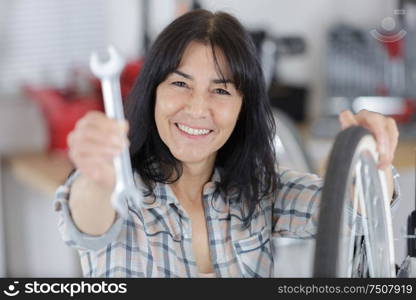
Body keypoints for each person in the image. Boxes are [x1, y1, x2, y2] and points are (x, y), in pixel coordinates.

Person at [55, 9, 400, 278]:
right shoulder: (120, 190)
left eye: (220, 90)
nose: (196, 108)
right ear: (153, 94)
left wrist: (375, 159)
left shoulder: (261, 190)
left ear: (242, 108)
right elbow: (86, 223)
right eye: (180, 83)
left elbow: (355, 212)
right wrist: (97, 177)